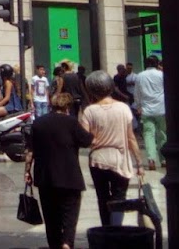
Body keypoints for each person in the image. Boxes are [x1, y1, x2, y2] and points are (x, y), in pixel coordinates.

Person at [26, 90, 93, 249]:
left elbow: (30, 151)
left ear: (51, 104)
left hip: (45, 177)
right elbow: (87, 141)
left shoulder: (38, 123)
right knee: (70, 214)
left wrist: (27, 172)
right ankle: (67, 243)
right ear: (67, 107)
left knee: (51, 216)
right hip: (69, 176)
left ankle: (55, 244)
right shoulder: (71, 123)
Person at [80, 70, 142, 227]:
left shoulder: (89, 111)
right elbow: (131, 138)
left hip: (97, 160)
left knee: (102, 197)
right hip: (120, 159)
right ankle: (116, 230)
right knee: (119, 197)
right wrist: (139, 163)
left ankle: (106, 231)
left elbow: (85, 139)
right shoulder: (123, 108)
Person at [133, 56, 166, 170]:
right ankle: (164, 159)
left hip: (146, 109)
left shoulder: (140, 76)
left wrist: (138, 106)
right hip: (161, 109)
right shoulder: (161, 75)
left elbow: (136, 93)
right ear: (157, 64)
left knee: (148, 135)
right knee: (162, 134)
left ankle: (151, 159)